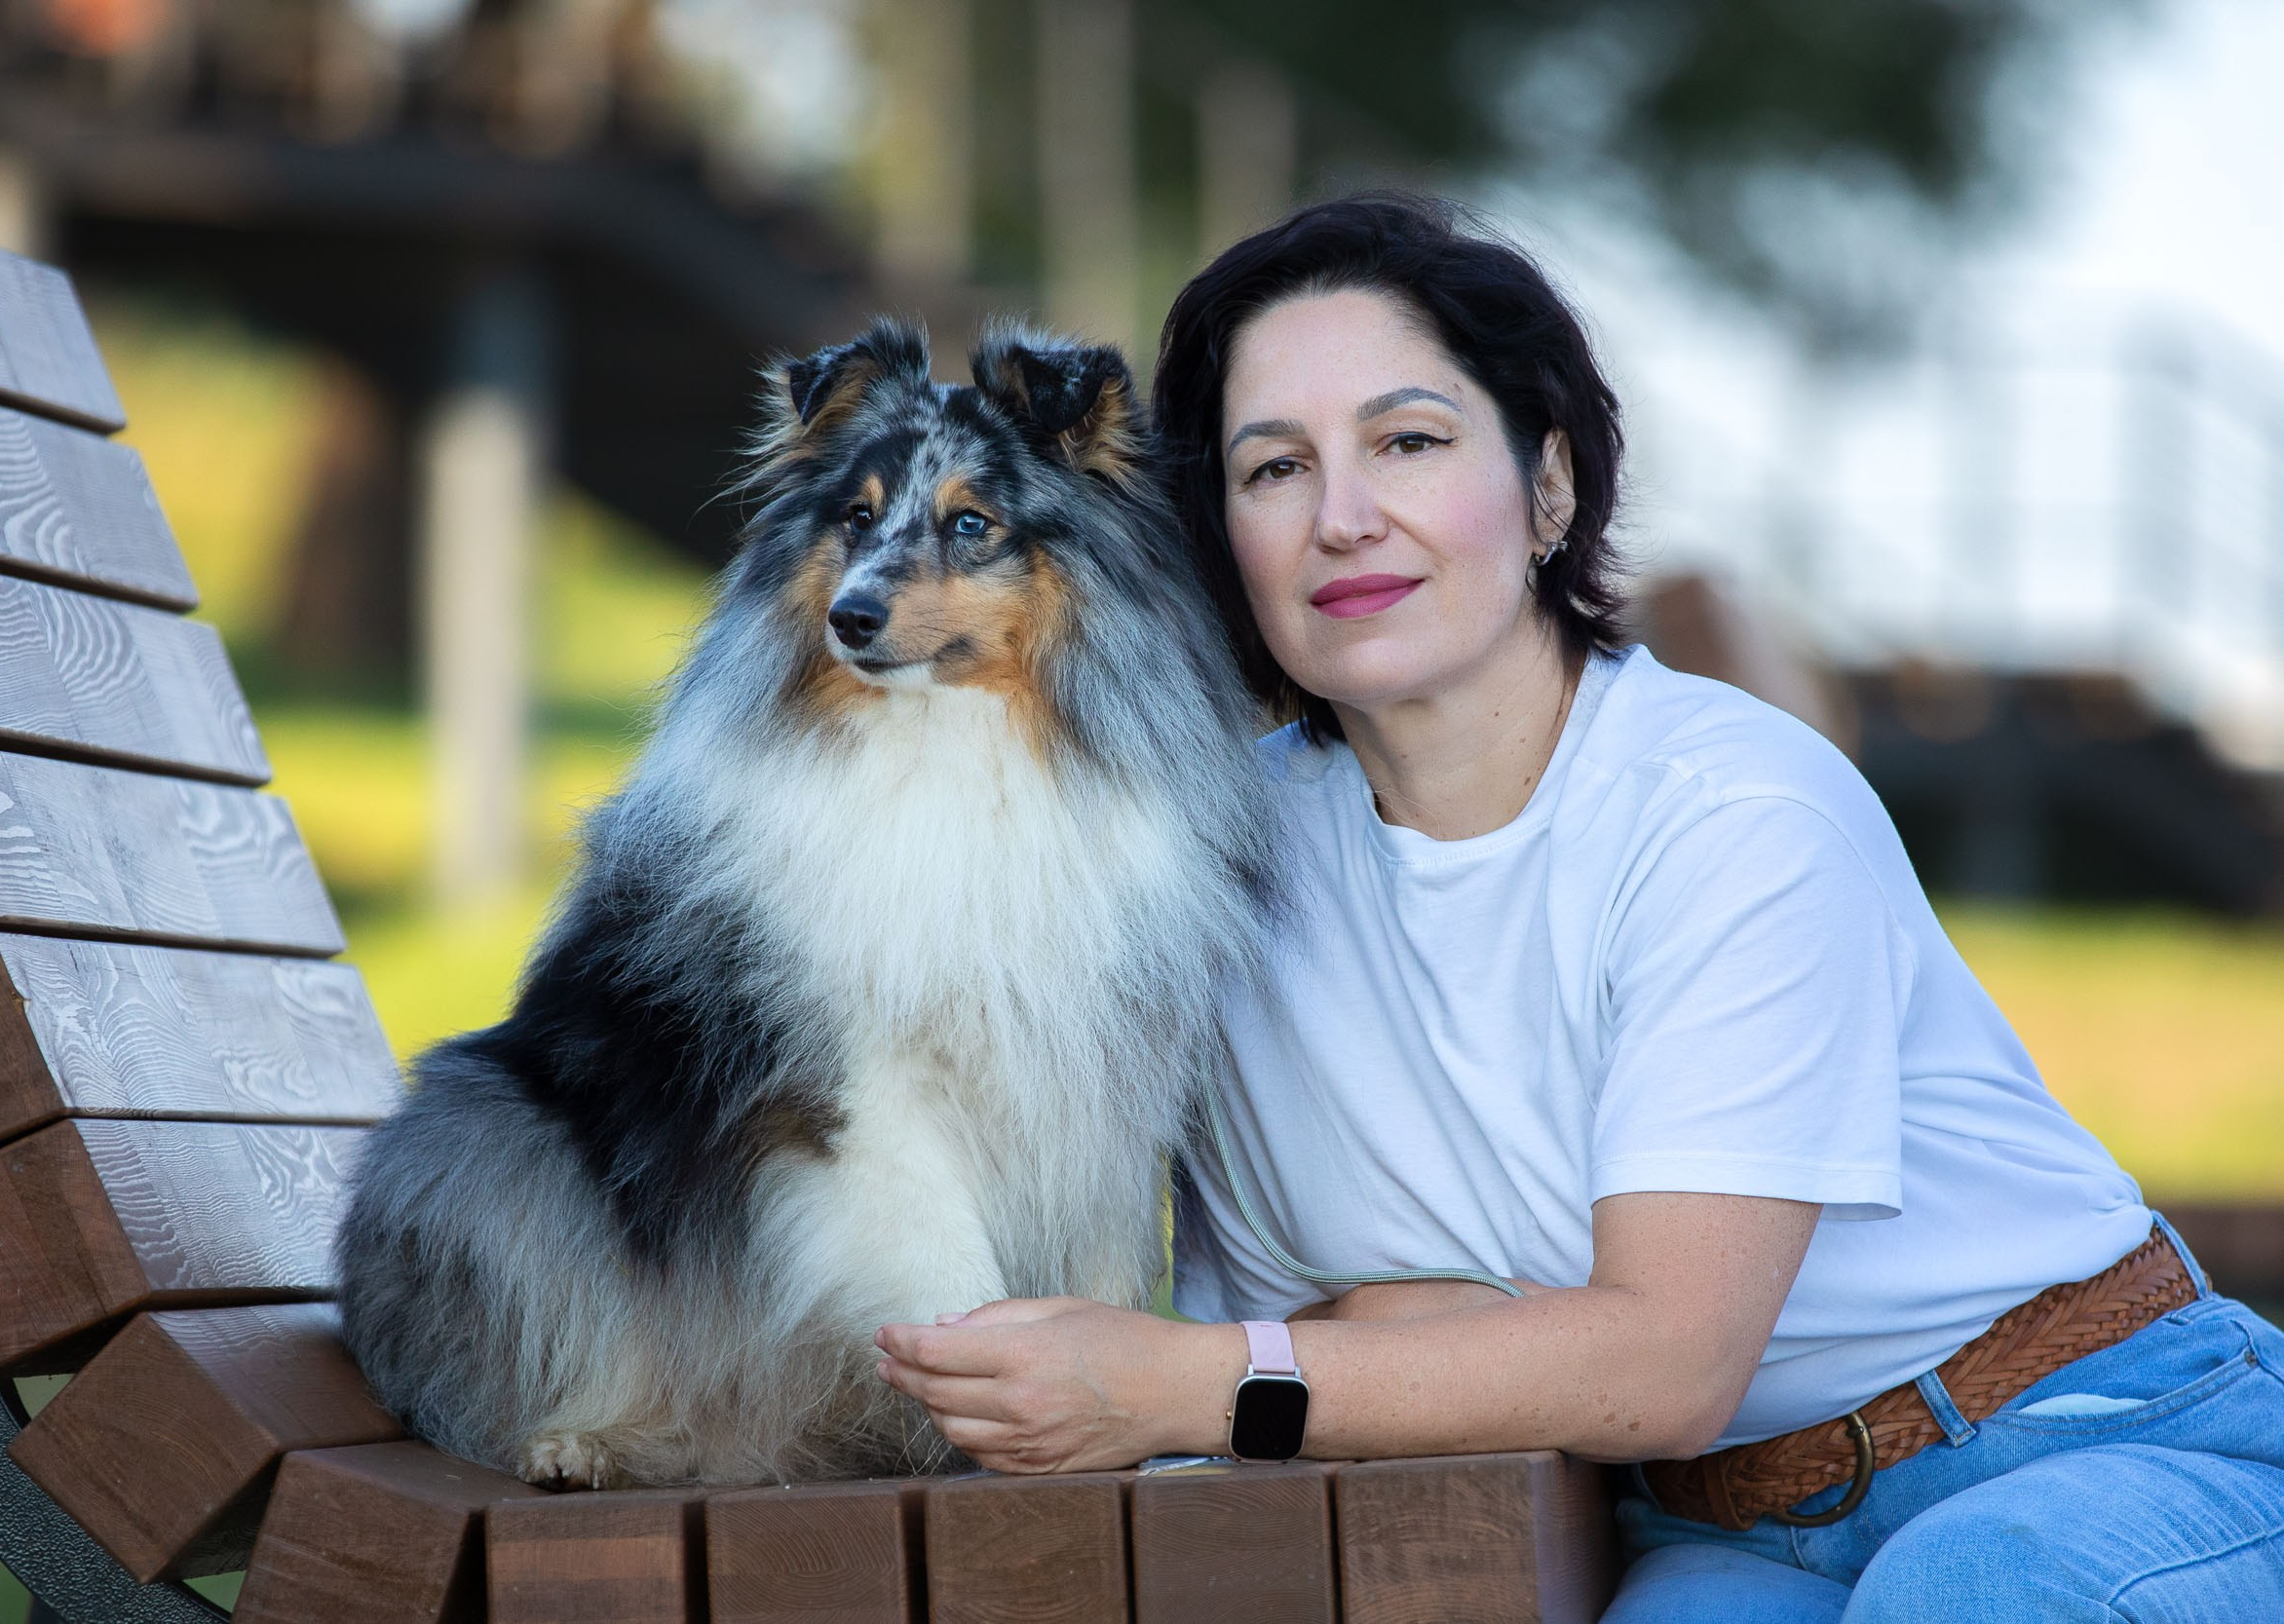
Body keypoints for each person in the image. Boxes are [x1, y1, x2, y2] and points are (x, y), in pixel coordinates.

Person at [872, 192, 2284, 1619]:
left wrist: (1187, 1383)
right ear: (1216, 531)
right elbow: (1334, 1320)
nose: (1344, 517)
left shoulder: (1729, 809)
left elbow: (1665, 1362)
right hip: (1722, 1524)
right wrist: (1440, 1342)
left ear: (1548, 486)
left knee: (1973, 1586)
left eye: (1409, 442)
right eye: (1274, 469)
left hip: (2096, 1437)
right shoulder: (1202, 870)